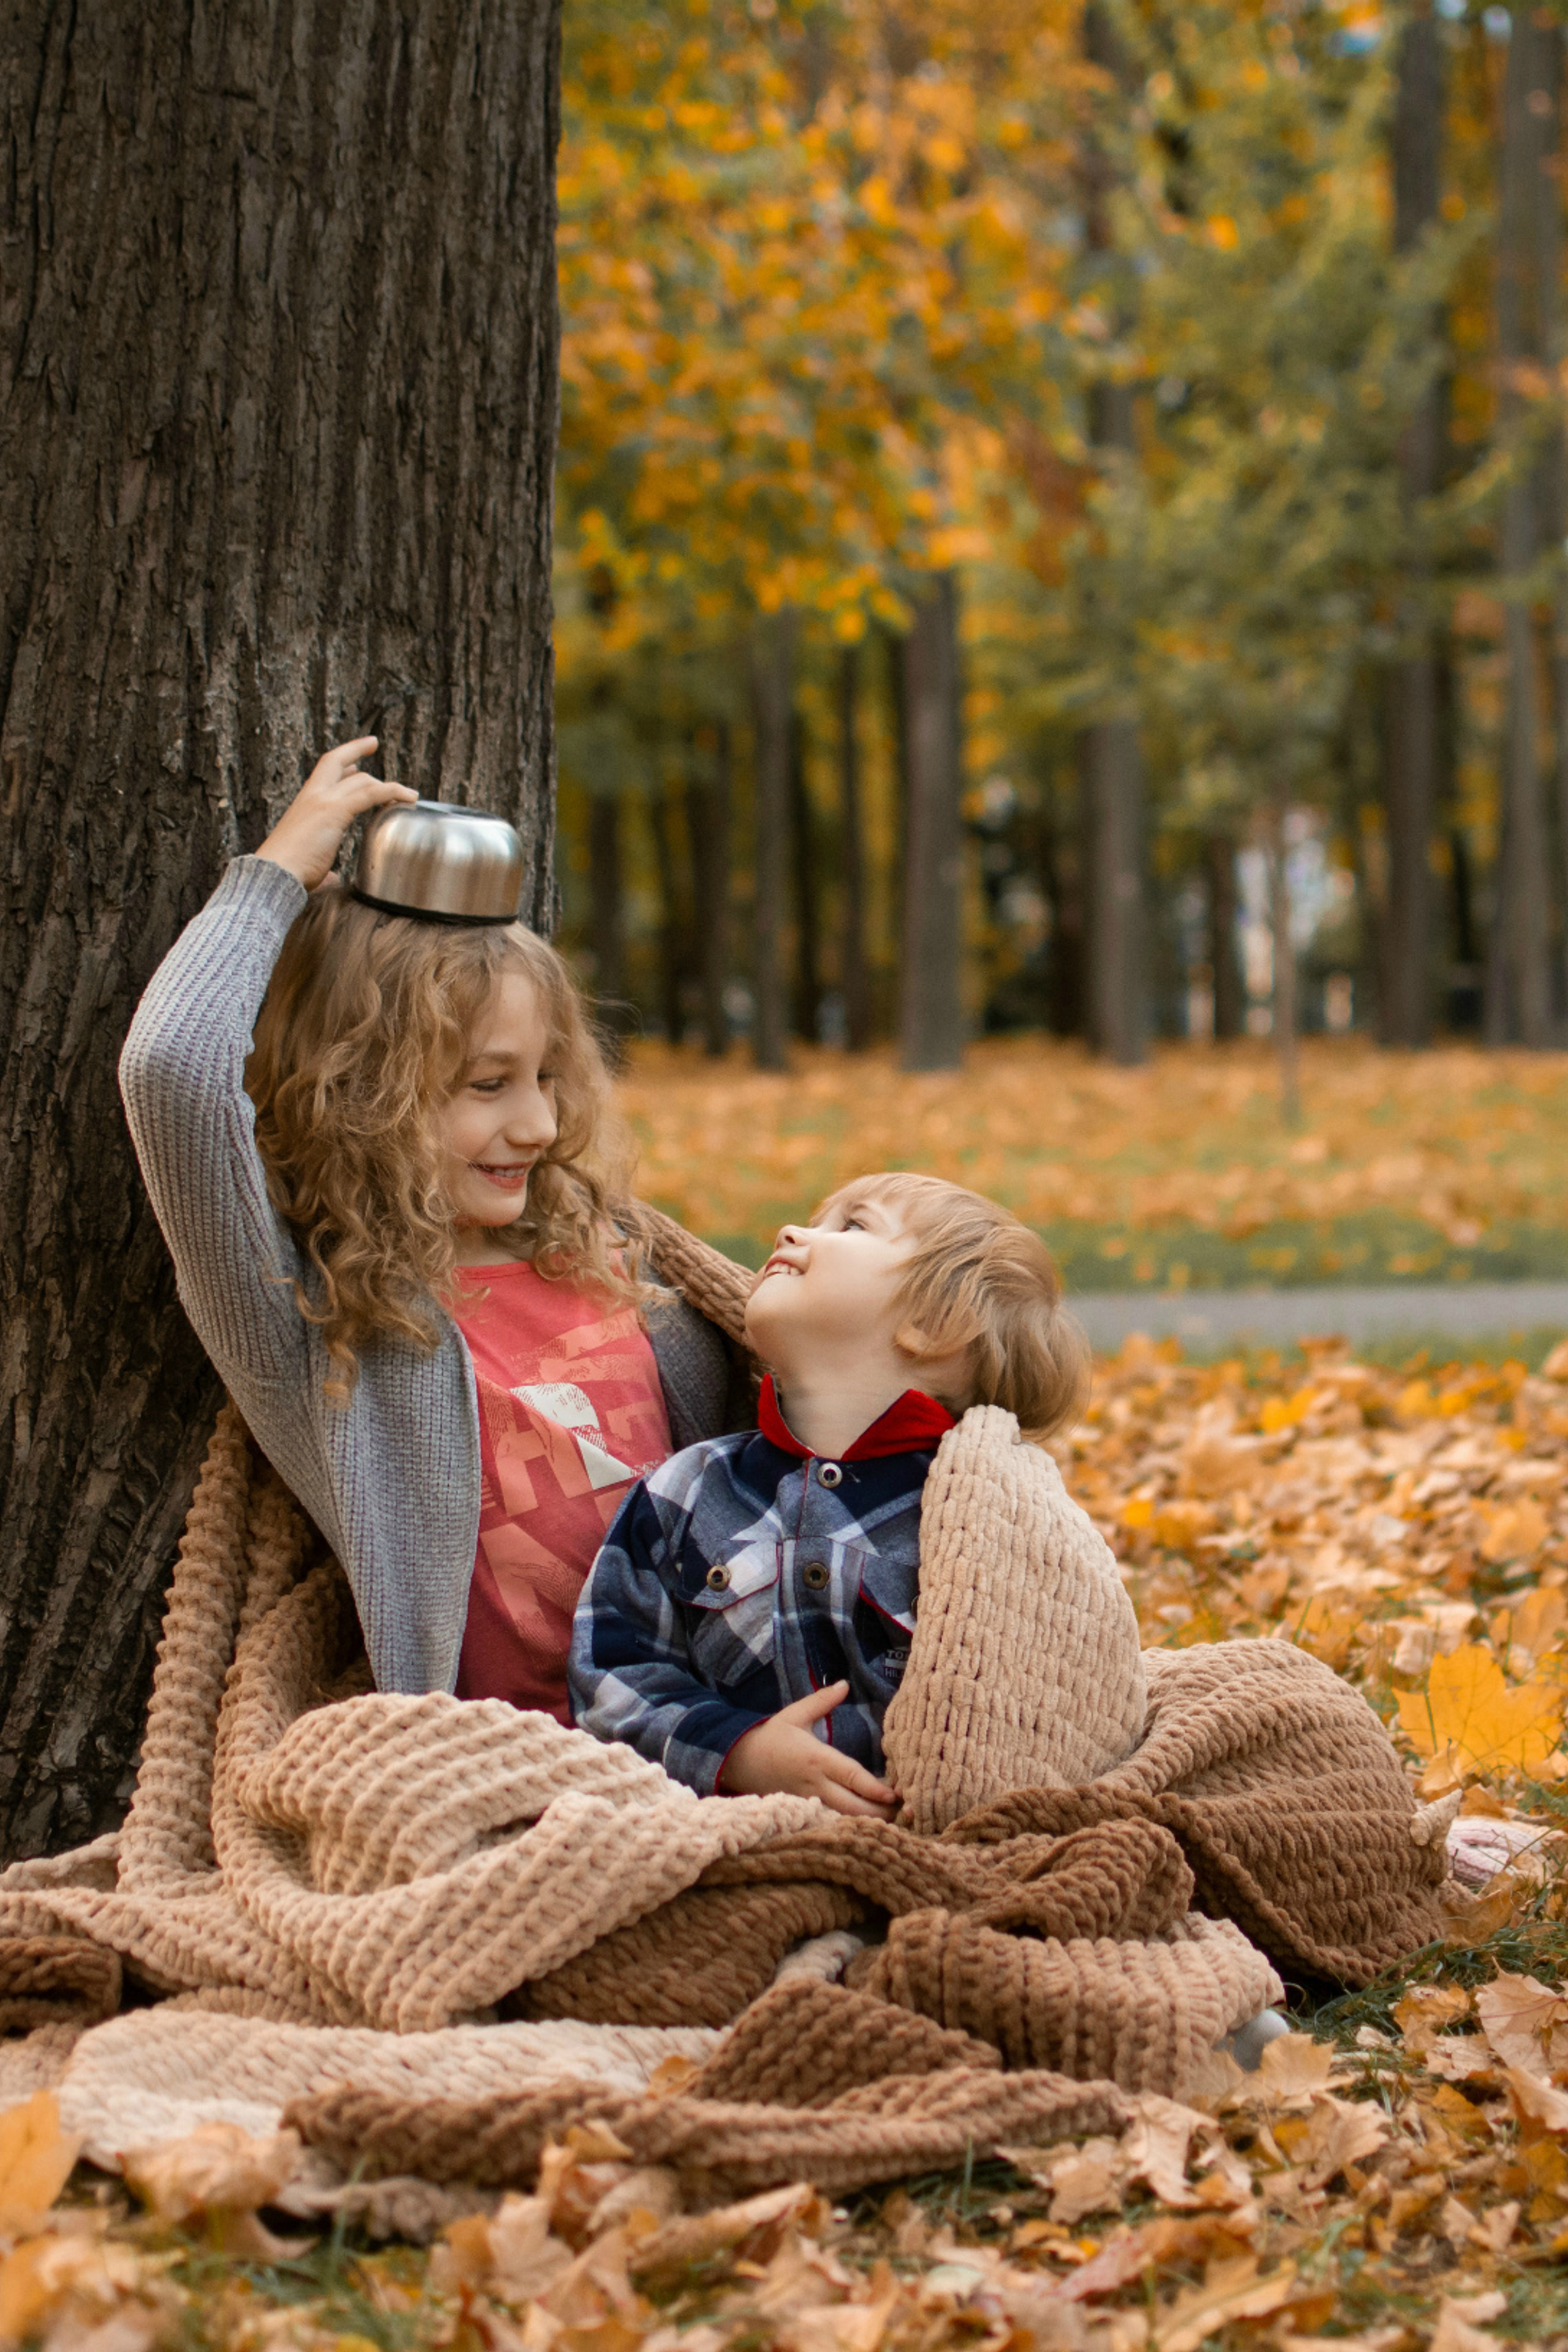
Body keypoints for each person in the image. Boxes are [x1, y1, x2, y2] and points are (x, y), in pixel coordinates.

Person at [119, 737, 747, 1716]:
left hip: (724, 1728)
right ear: (362, 1091)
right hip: (507, 1775)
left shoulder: (614, 1260)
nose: (538, 1124)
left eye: (544, 1077)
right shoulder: (333, 1328)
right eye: (487, 1085)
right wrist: (275, 877)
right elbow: (173, 1076)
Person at [568, 1171, 1092, 1815]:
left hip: (938, 1835)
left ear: (934, 1324)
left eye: (852, 1225)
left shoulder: (991, 1513)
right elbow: (610, 1674)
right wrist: (737, 1752)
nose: (792, 1232)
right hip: (727, 1836)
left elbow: (1056, 1687)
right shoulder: (686, 1489)